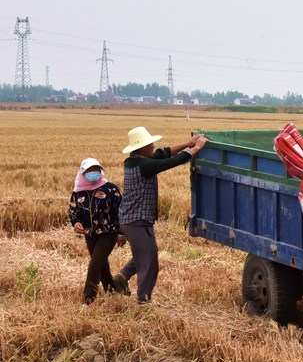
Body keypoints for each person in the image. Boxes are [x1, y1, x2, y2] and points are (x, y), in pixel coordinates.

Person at [114, 126, 207, 302]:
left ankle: (121, 277)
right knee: (149, 261)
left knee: (148, 253)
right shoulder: (144, 166)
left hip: (135, 220)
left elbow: (163, 153)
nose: (153, 146)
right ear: (142, 148)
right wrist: (196, 148)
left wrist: (187, 143)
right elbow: (170, 161)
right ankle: (143, 299)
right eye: (149, 144)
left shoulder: (135, 161)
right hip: (135, 221)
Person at [68, 158, 124, 303]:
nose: (93, 172)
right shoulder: (78, 192)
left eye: (96, 169)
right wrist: (76, 223)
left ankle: (88, 299)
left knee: (94, 266)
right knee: (102, 264)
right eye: (89, 170)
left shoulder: (110, 189)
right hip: (89, 234)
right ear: (82, 173)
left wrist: (122, 233)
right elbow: (73, 211)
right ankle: (113, 291)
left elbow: (121, 211)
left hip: (108, 232)